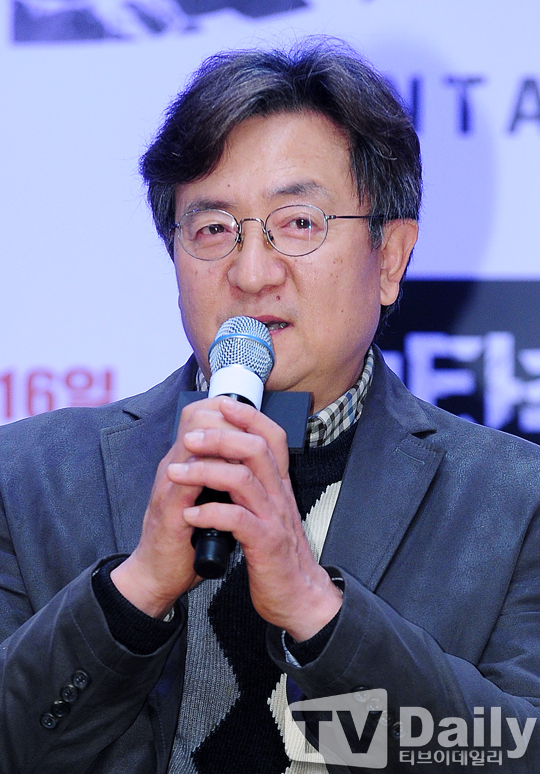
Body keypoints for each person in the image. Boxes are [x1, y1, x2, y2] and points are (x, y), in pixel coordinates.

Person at [0, 39, 539, 774]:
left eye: (298, 223)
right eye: (213, 230)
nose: (252, 273)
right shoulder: (29, 478)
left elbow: (512, 752)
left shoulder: (513, 502)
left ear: (389, 257)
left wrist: (319, 614)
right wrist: (137, 591)